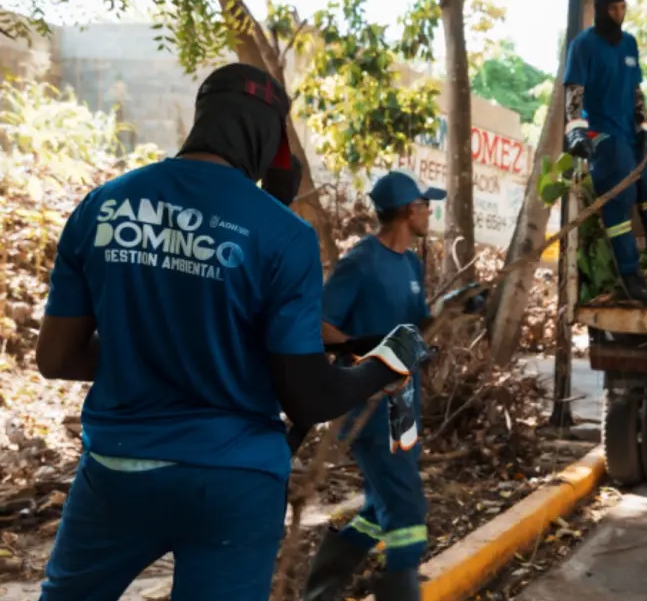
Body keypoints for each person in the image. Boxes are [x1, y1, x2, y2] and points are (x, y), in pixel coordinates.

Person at [34, 63, 418, 601]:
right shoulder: (283, 235)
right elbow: (307, 395)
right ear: (272, 141)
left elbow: (56, 358)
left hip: (117, 473)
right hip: (234, 482)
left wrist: (151, 352)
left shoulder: (104, 206)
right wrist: (385, 364)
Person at [297, 169, 483, 601]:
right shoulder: (361, 262)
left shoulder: (410, 263)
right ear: (405, 211)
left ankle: (320, 590)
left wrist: (454, 309)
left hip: (404, 408)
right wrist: (365, 357)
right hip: (368, 407)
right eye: (424, 205)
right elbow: (320, 325)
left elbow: (417, 329)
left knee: (380, 508)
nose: (429, 212)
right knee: (407, 510)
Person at [563, 0, 647, 304]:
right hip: (600, 132)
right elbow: (574, 91)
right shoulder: (583, 45)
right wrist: (575, 130)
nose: (619, 14)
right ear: (602, 10)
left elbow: (636, 91)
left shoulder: (630, 44)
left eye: (623, 7)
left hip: (627, 130)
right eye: (613, 8)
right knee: (618, 181)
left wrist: (644, 127)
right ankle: (631, 275)